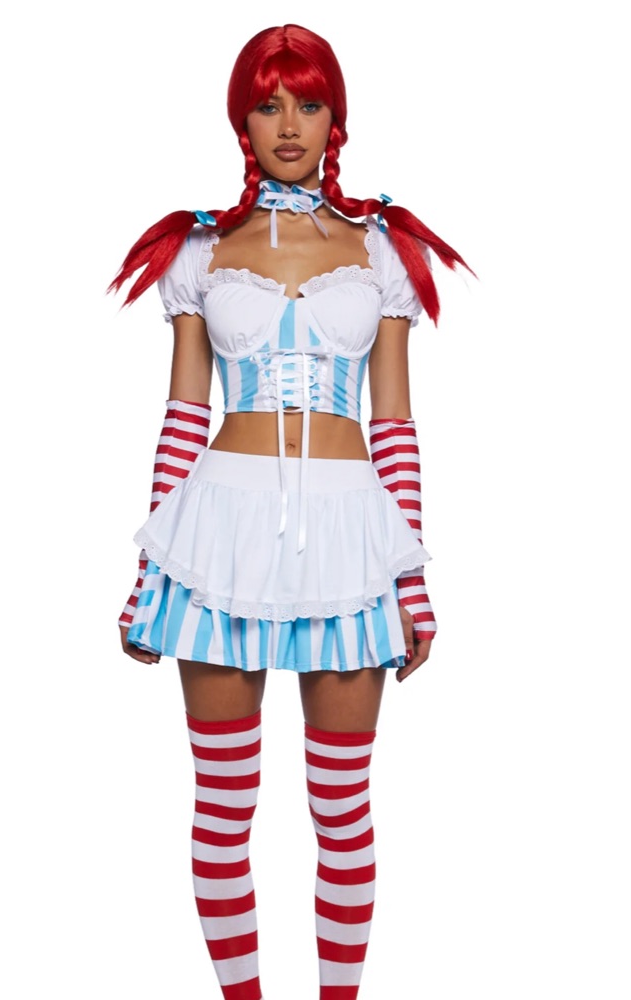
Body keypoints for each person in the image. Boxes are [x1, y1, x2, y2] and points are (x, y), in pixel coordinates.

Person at [109, 24, 470, 1000]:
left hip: (348, 542)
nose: (288, 125)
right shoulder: (199, 248)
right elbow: (184, 418)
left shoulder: (383, 247)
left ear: (334, 118)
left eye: (307, 104)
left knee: (342, 810)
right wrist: (147, 576)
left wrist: (412, 582)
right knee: (223, 809)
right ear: (242, 120)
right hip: (219, 541)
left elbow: (393, 425)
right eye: (268, 105)